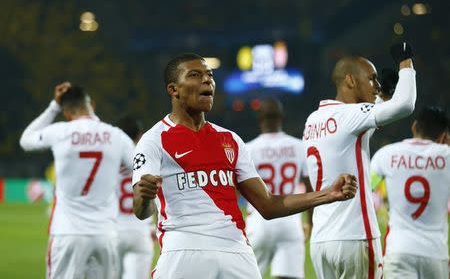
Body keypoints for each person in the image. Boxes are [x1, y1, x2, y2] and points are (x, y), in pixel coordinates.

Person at [132, 53, 358, 279]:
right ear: (174, 89)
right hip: (184, 250)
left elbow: (268, 205)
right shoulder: (154, 140)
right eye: (195, 75)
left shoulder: (230, 140)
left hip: (236, 250)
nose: (207, 80)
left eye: (210, 75)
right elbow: (142, 211)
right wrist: (145, 197)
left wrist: (329, 194)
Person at [302, 42, 416, 279]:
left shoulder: (314, 119)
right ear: (351, 80)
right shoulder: (350, 116)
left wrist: (384, 97)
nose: (376, 86)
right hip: (354, 237)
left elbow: (357, 128)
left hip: (322, 240)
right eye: (372, 79)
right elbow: (405, 105)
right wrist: (405, 62)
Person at [20, 83, 135, 279]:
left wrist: (53, 106)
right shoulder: (117, 136)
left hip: (68, 233)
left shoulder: (60, 132)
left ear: (66, 113)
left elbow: (26, 140)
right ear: (93, 105)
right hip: (105, 235)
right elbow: (140, 168)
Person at [371, 106, 450, 279]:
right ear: (444, 136)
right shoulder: (447, 156)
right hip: (435, 254)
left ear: (414, 126)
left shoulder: (386, 155)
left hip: (399, 249)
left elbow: (367, 188)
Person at [246, 97, 313, 279]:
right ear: (282, 117)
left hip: (259, 221)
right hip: (290, 220)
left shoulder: (248, 149)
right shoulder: (299, 147)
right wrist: (310, 222)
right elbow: (309, 188)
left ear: (260, 119)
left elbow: (236, 190)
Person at [115, 115, 155, 279]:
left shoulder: (109, 158)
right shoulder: (148, 158)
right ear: (140, 135)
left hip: (113, 230)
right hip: (141, 230)